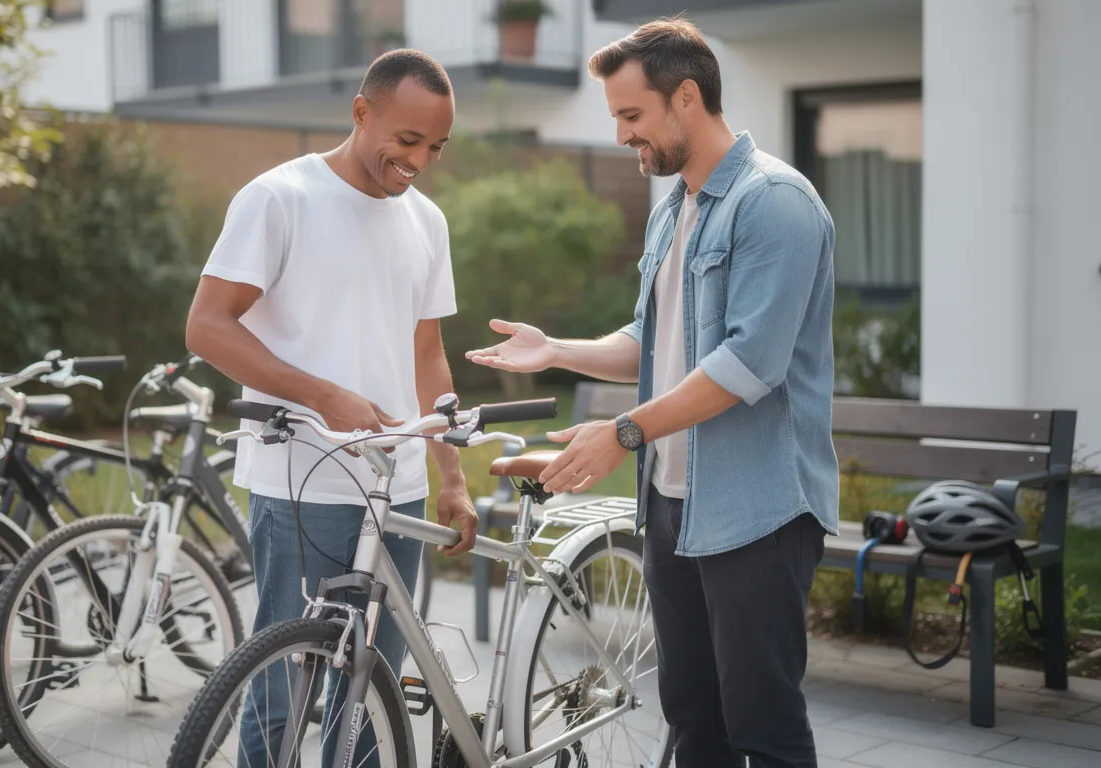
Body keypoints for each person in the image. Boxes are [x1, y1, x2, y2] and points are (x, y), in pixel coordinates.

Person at [465, 17, 839, 768]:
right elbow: (652, 343)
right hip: (672, 505)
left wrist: (623, 432)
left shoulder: (776, 203)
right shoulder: (675, 206)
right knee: (693, 720)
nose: (621, 136)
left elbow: (747, 365)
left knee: (762, 728)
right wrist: (558, 350)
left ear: (687, 98)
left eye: (631, 116)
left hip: (758, 510)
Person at [184, 49, 475, 767]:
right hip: (300, 486)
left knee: (372, 692)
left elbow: (427, 351)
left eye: (435, 147)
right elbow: (207, 326)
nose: (419, 161)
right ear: (361, 111)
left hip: (398, 491)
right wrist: (320, 393)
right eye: (407, 141)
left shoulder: (427, 221)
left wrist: (453, 477)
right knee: (282, 688)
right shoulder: (279, 198)